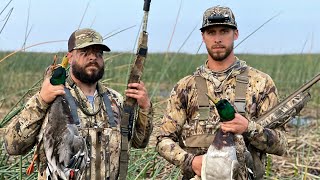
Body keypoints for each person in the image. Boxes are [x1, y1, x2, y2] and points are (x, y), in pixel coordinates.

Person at [156, 5, 287, 180]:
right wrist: (191, 162)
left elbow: (281, 144)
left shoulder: (261, 83)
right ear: (203, 37)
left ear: (236, 34)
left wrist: (249, 128)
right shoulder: (185, 86)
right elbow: (163, 139)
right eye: (211, 32)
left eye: (224, 31)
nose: (217, 38)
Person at [4, 28, 153, 179]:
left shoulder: (115, 100)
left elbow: (139, 142)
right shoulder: (51, 97)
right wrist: (41, 100)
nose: (93, 58)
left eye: (98, 54)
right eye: (85, 52)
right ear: (69, 57)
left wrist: (145, 107)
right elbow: (12, 146)